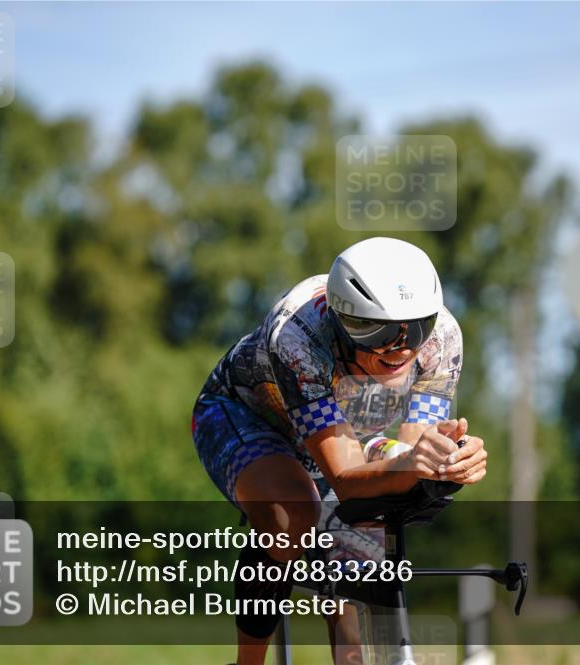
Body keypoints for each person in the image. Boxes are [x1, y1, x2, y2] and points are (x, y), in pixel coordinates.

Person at [191, 237, 488, 665]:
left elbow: (407, 456)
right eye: (378, 330)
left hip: (348, 429)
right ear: (340, 317)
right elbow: (346, 478)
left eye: (415, 327)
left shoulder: (441, 339)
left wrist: (448, 458)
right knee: (293, 513)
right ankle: (248, 662)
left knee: (359, 547)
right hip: (246, 415)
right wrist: (411, 462)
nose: (401, 347)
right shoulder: (298, 336)